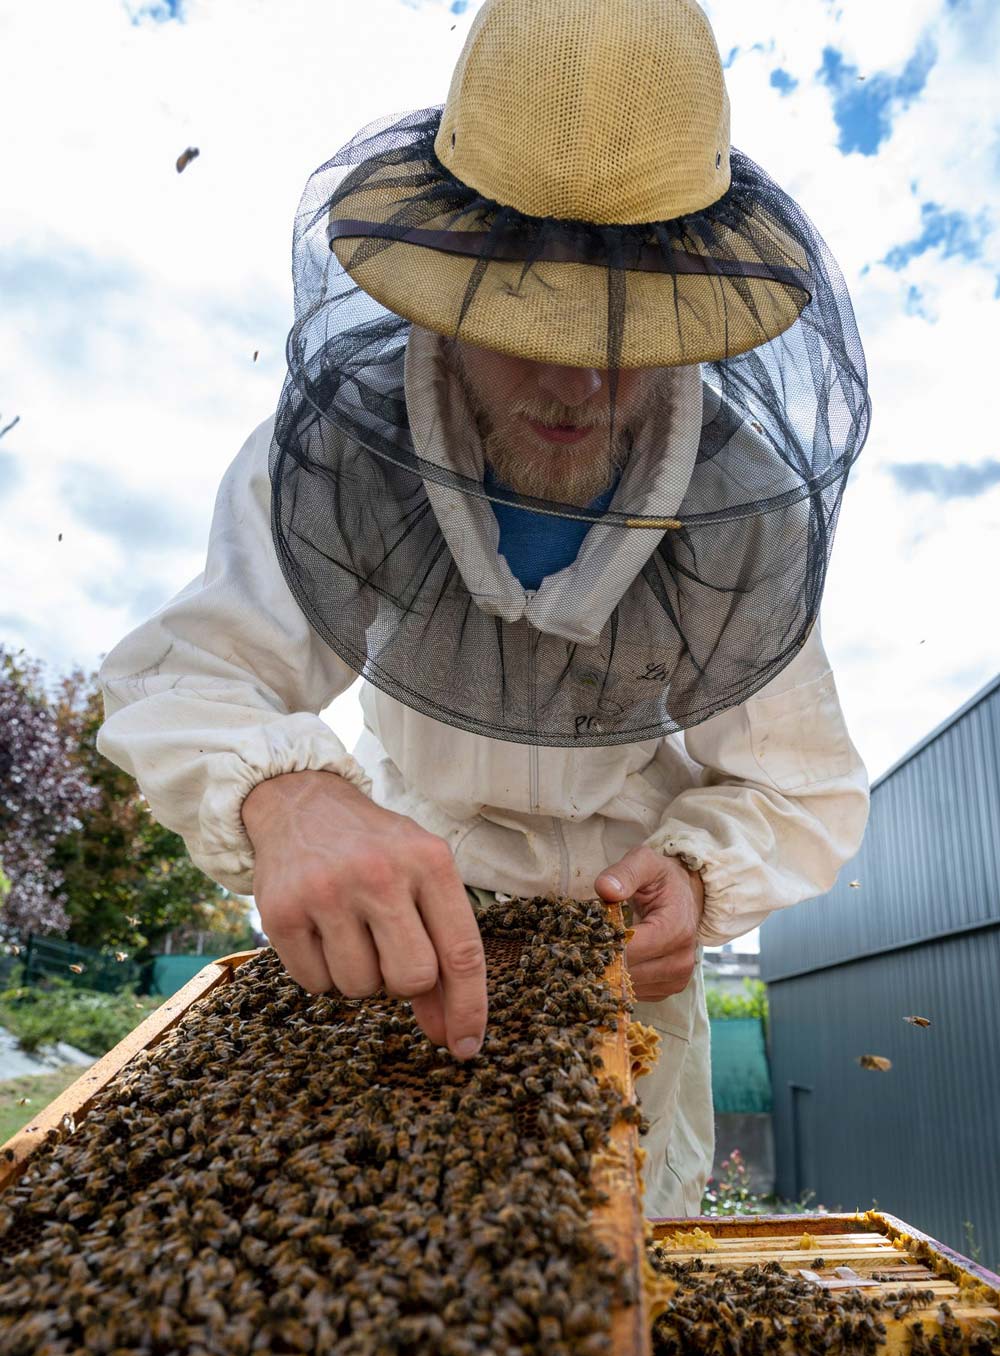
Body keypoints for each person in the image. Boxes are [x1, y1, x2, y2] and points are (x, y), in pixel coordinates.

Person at [98, 0, 871, 1215]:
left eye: (624, 332)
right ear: (444, 288)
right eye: (524, 322)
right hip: (394, 950)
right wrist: (288, 796)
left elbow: (802, 787)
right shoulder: (337, 455)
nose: (575, 382)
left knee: (609, 1312)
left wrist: (698, 877)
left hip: (617, 978)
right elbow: (186, 677)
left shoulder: (740, 508)